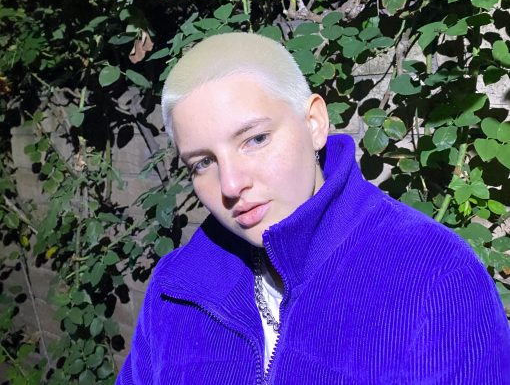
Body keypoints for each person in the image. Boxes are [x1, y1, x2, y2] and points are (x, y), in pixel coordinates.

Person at [117, 32, 510, 384]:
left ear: (315, 122)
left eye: (255, 139)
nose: (231, 185)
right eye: (203, 163)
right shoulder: (174, 289)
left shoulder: (435, 274)